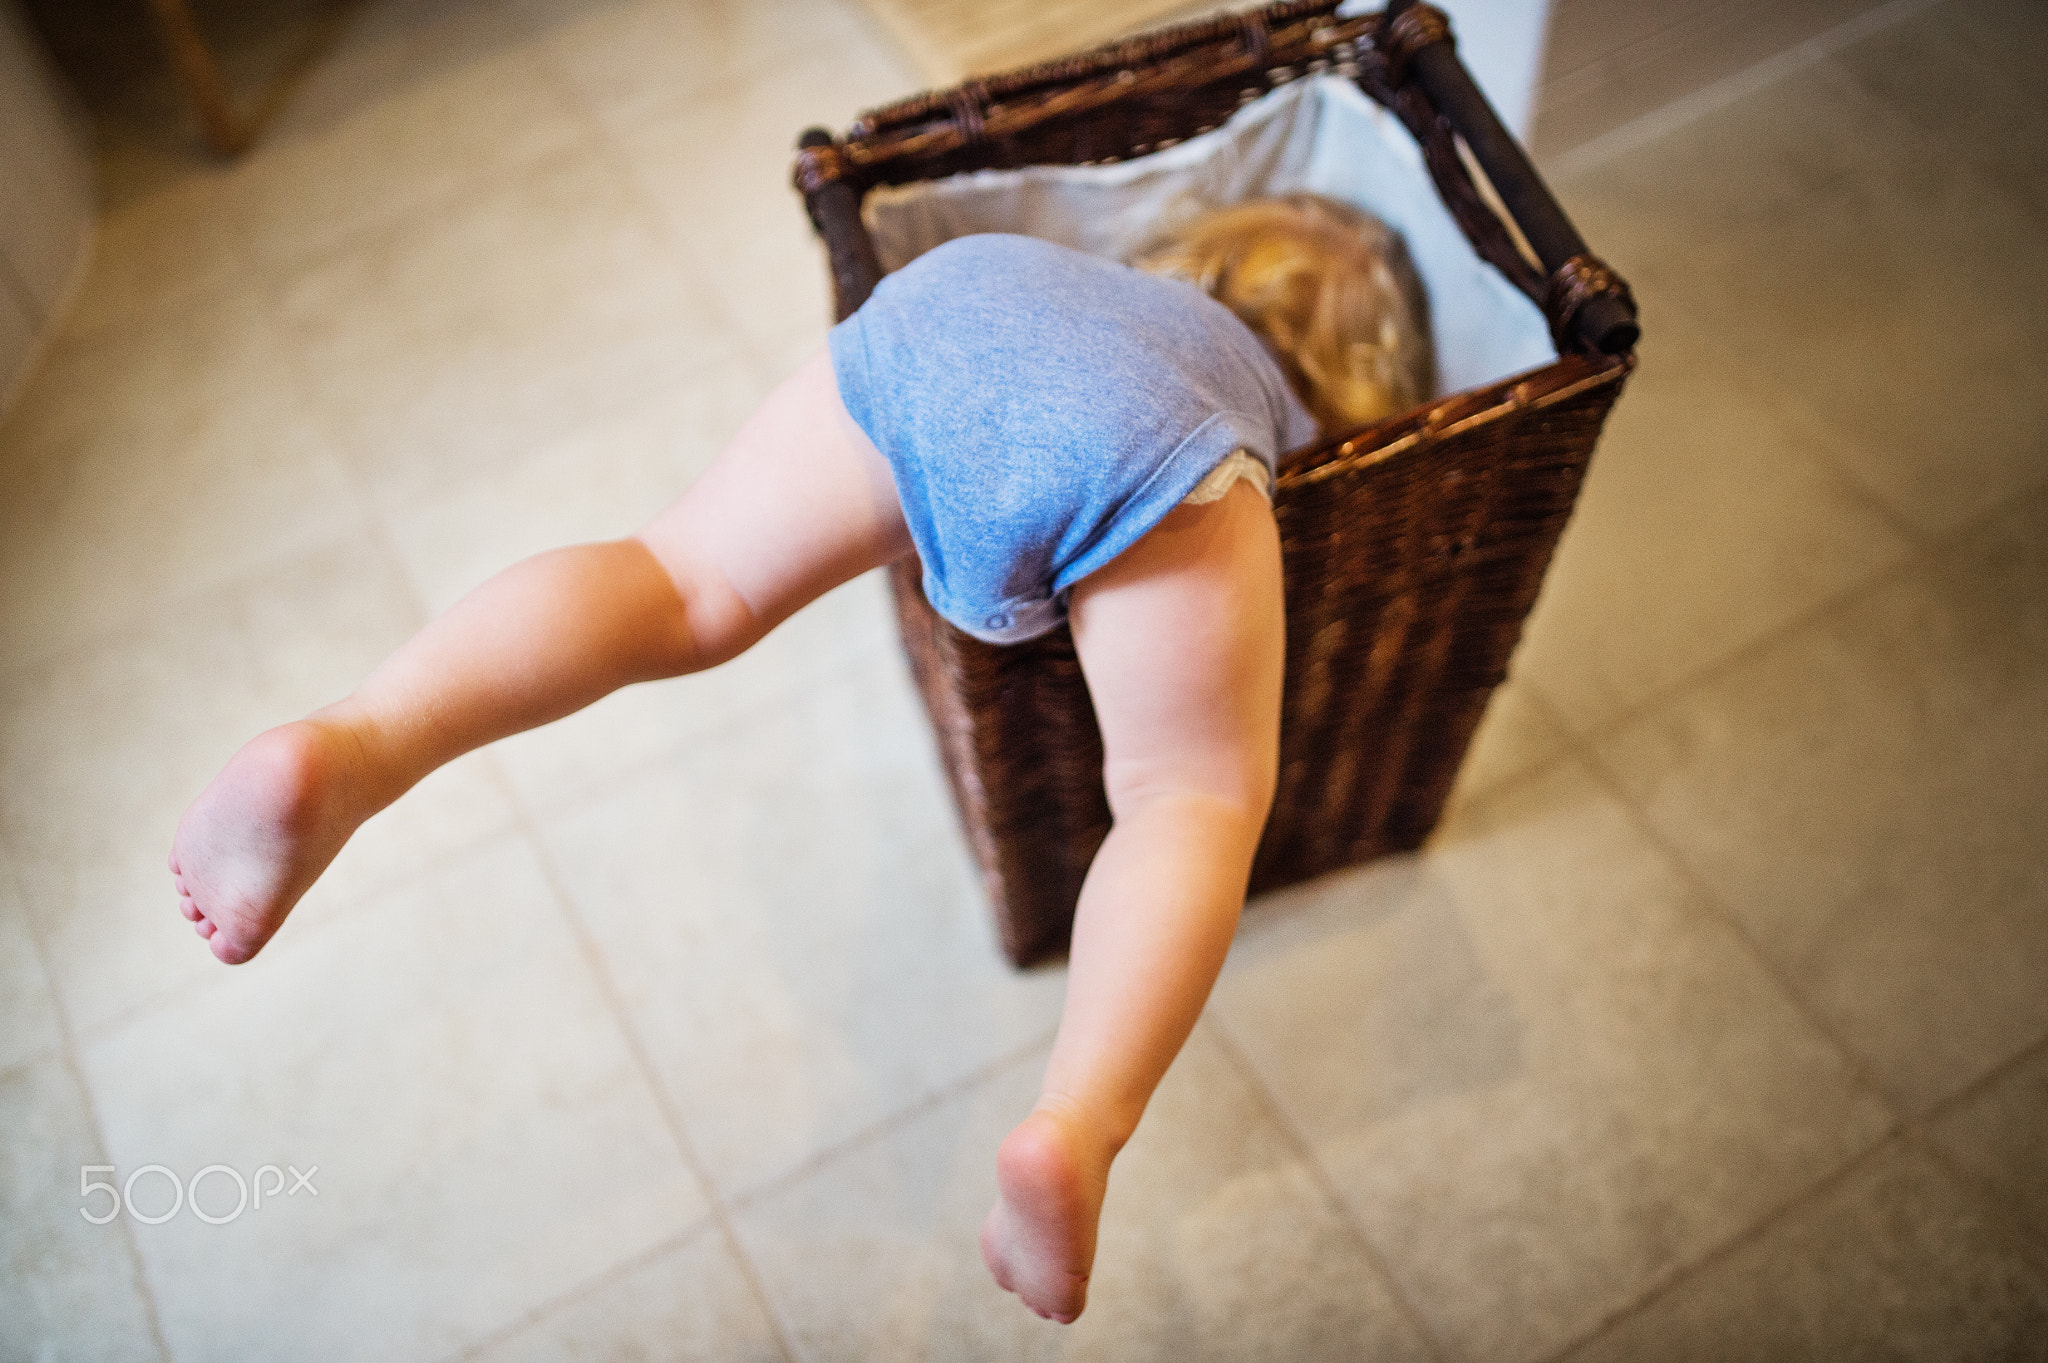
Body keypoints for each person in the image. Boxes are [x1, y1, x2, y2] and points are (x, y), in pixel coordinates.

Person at [169, 197, 1430, 1324]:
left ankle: (358, 741)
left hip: (956, 304)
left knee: (675, 577)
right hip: (1142, 445)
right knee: (1187, 798)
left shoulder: (1096, 272)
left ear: (1193, 245)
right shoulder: (1254, 394)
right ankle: (1076, 1126)